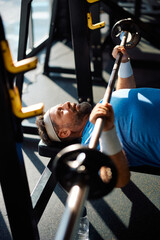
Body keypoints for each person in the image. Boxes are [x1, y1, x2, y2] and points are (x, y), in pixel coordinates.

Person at [36, 45, 159, 187]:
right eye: (61, 111)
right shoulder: (91, 144)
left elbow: (124, 93)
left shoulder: (99, 109)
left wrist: (124, 63)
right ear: (64, 132)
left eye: (62, 105)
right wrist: (107, 131)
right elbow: (119, 180)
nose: (67, 104)